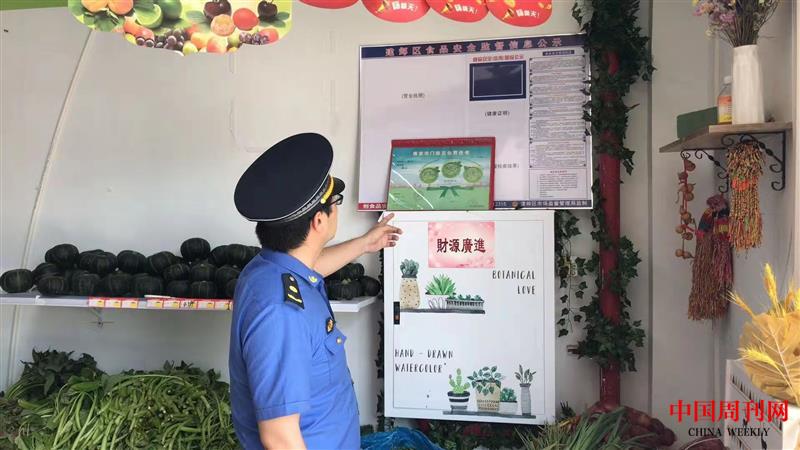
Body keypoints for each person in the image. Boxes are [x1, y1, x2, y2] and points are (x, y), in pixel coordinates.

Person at [229, 133, 401, 450]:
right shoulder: (282, 312)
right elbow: (279, 437)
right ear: (319, 221)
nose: (338, 209)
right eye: (336, 203)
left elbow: (310, 267)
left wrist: (365, 244)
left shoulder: (269, 269)